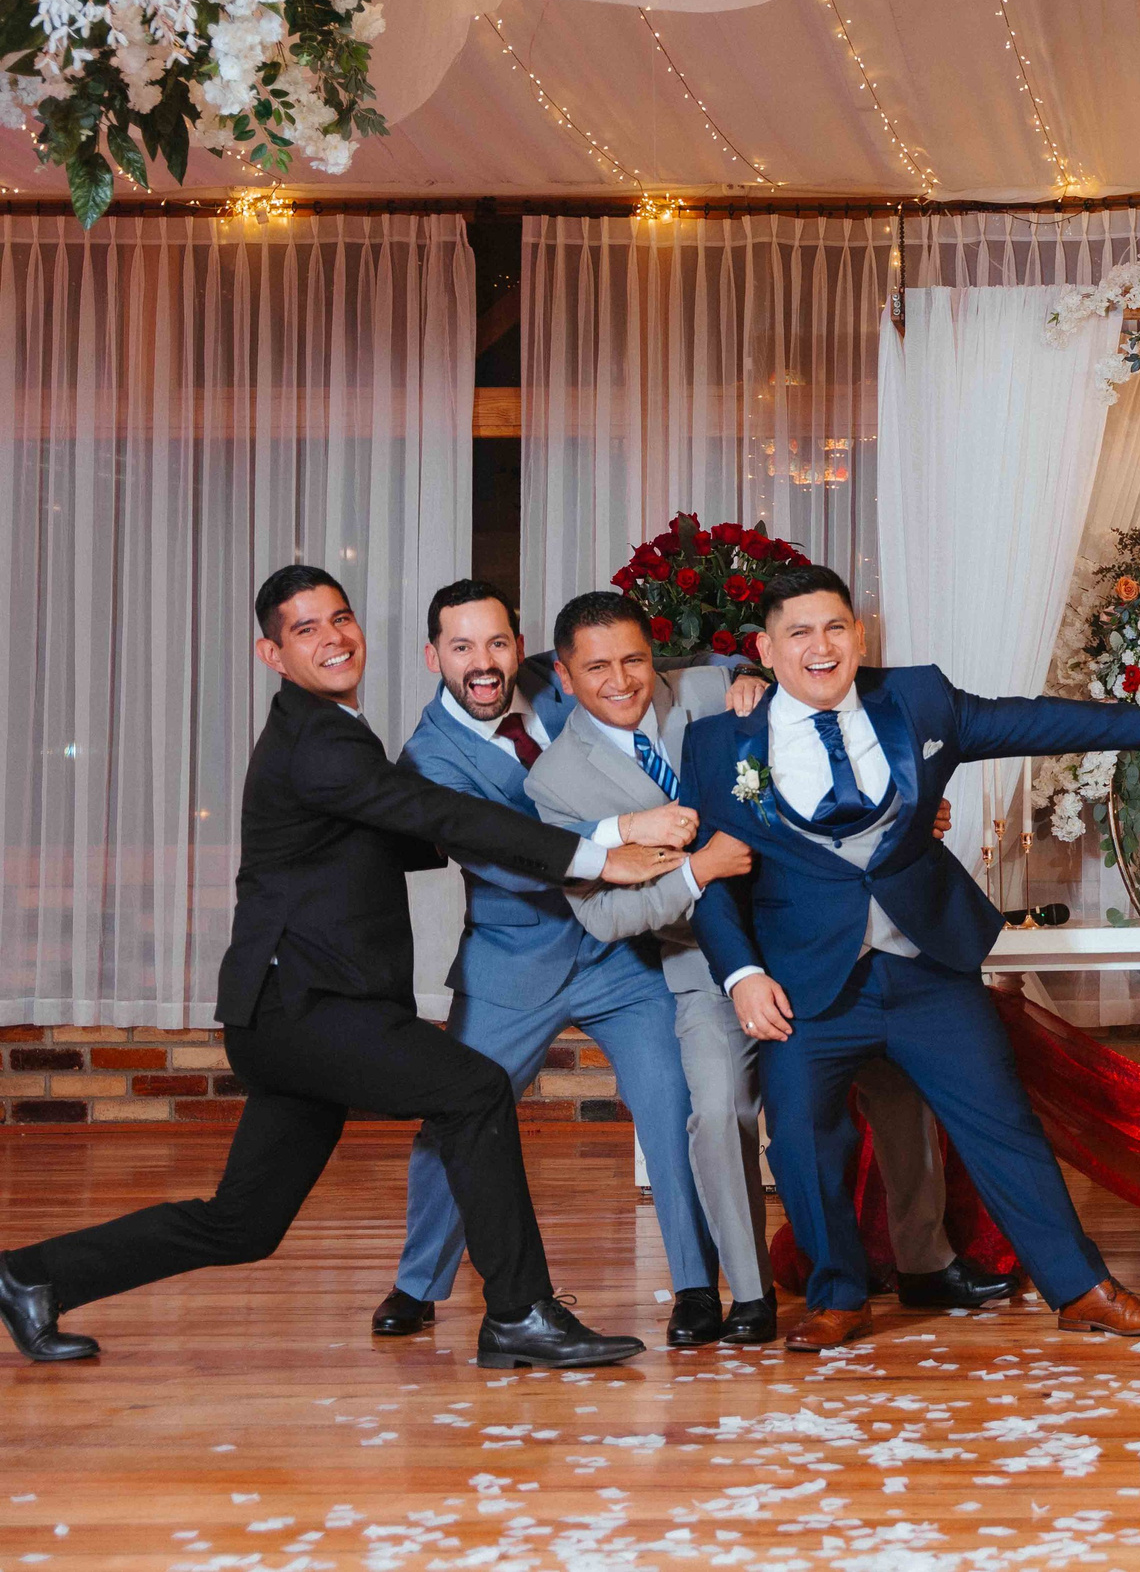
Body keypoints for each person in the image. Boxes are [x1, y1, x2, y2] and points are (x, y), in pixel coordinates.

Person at [0, 566, 679, 1369]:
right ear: (272, 653)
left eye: (341, 619)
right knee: (474, 1090)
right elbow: (430, 812)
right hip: (305, 1008)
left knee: (243, 1223)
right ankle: (519, 1313)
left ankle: (31, 1278)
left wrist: (518, 834)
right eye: (305, 629)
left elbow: (409, 830)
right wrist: (595, 856)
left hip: (289, 1012)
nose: (332, 638)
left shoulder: (330, 734)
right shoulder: (318, 739)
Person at [682, 565, 1140, 1351]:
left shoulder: (917, 700)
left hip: (927, 969)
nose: (821, 646)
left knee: (1003, 1125)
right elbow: (711, 878)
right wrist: (741, 973)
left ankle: (1082, 1289)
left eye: (835, 627)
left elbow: (1033, 721)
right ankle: (838, 1297)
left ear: (859, 634)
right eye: (799, 632)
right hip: (805, 984)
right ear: (766, 651)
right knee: (805, 1141)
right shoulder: (716, 745)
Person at [526, 591, 1012, 1348]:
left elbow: (824, 719)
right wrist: (701, 871)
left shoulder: (712, 690)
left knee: (901, 1085)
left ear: (656, 658)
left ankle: (925, 1260)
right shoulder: (554, 783)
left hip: (816, 932)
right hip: (701, 963)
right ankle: (749, 1294)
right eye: (596, 668)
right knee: (719, 1112)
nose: (621, 681)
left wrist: (902, 811)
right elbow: (605, 915)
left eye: (633, 660)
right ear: (564, 676)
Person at [367, 580, 726, 1349]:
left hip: (618, 951)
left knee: (671, 1101)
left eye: (497, 642)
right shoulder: (427, 759)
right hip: (512, 959)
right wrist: (622, 830)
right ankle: (417, 1282)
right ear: (434, 657)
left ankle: (695, 1286)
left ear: (519, 642)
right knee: (455, 1117)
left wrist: (748, 671)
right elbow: (506, 855)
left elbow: (664, 668)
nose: (484, 663)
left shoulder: (557, 677)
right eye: (461, 648)